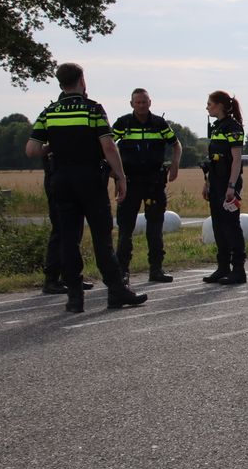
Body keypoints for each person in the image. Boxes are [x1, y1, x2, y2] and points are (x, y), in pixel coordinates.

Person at [25, 63, 148, 313]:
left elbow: (32, 149)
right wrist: (120, 176)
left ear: (61, 83)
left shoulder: (49, 111)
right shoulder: (92, 109)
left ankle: (74, 297)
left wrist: (54, 146)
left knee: (69, 239)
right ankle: (116, 291)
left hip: (61, 180)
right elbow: (109, 146)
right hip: (90, 179)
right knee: (102, 238)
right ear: (82, 80)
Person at [112, 88, 182, 283]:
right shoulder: (123, 123)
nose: (141, 105)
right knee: (125, 229)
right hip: (130, 182)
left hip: (154, 183)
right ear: (131, 104)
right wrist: (114, 173)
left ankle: (156, 270)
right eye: (138, 102)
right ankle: (122, 271)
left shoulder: (160, 124)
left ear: (150, 102)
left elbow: (176, 145)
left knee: (155, 228)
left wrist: (175, 166)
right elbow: (107, 145)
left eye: (144, 102)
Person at [201, 90, 246, 284]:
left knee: (231, 226)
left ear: (219, 105)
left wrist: (231, 186)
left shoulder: (233, 127)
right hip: (216, 181)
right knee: (218, 226)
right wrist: (207, 183)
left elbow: (236, 160)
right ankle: (223, 267)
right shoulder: (217, 127)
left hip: (228, 183)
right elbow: (213, 160)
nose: (207, 108)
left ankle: (238, 270)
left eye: (209, 104)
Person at [39, 141, 93, 295]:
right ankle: (51, 279)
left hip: (73, 177)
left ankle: (70, 276)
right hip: (56, 177)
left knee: (75, 230)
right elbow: (37, 149)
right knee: (60, 229)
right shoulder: (49, 126)